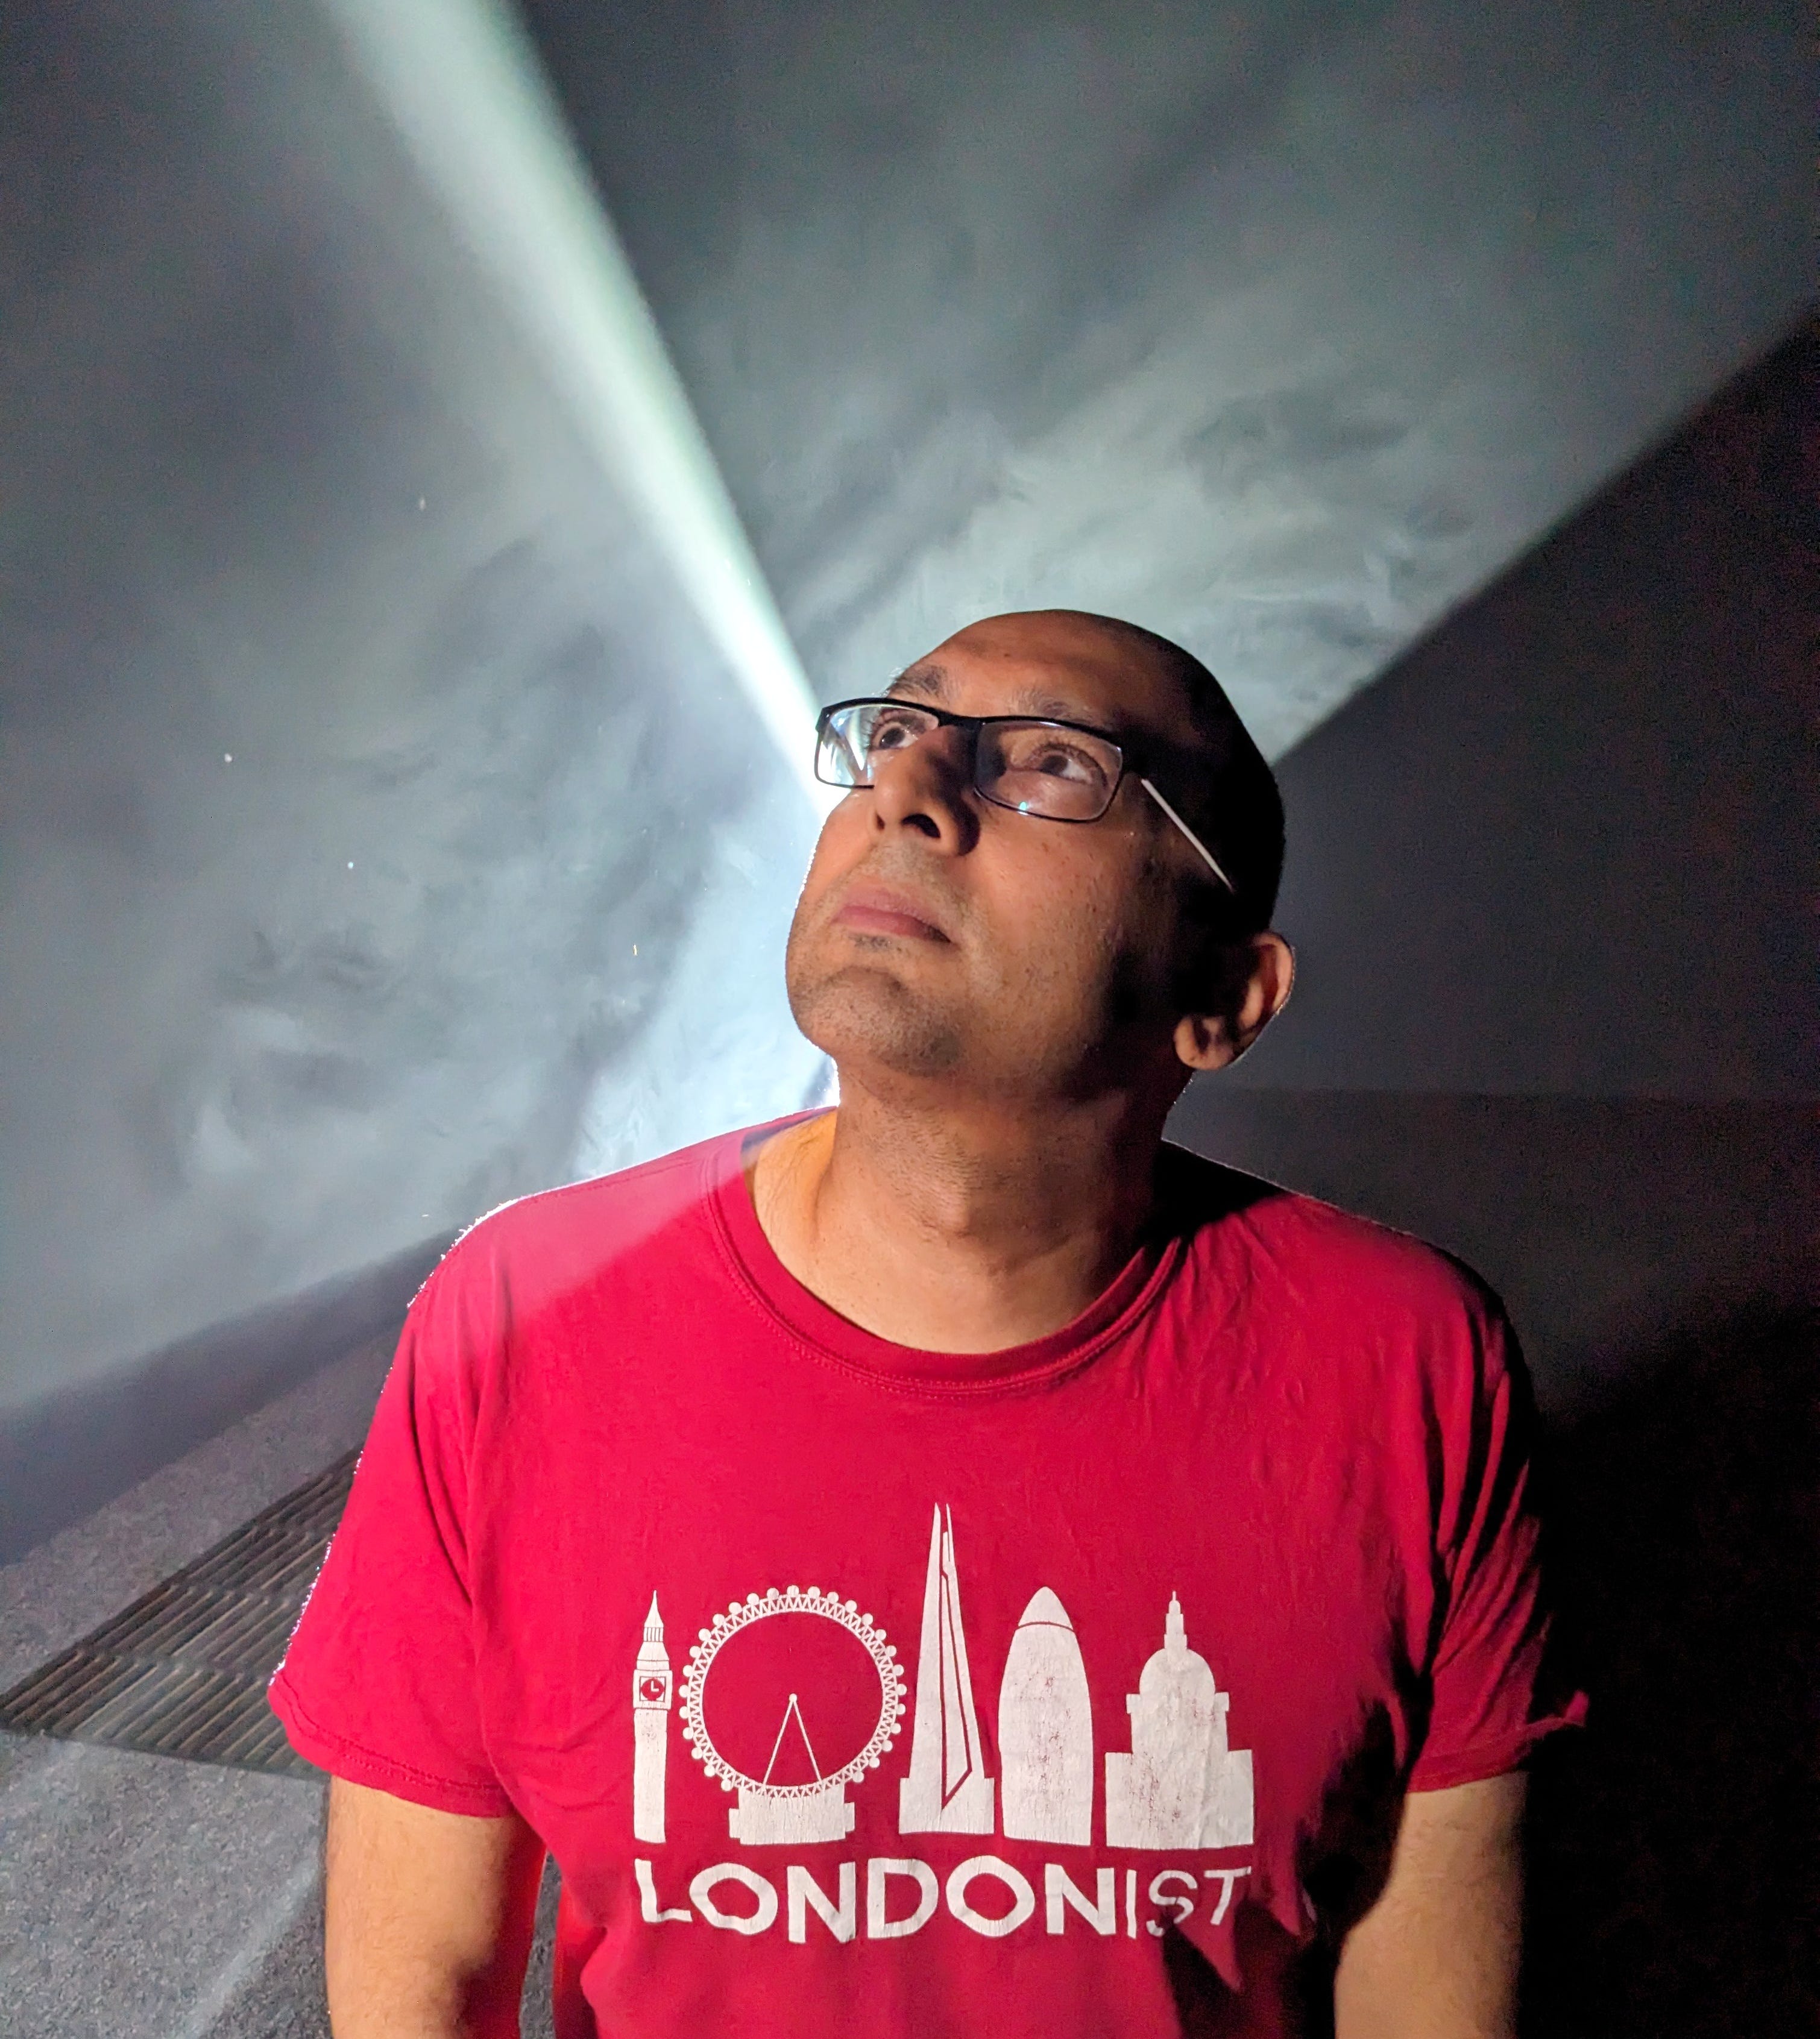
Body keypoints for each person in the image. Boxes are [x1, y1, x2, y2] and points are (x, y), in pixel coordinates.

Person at [270, 609, 1582, 2039]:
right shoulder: (521, 1311)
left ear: (1224, 995)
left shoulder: (1409, 1358)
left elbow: (1427, 1984)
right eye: (895, 732)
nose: (907, 790)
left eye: (1052, 762)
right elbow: (420, 1974)